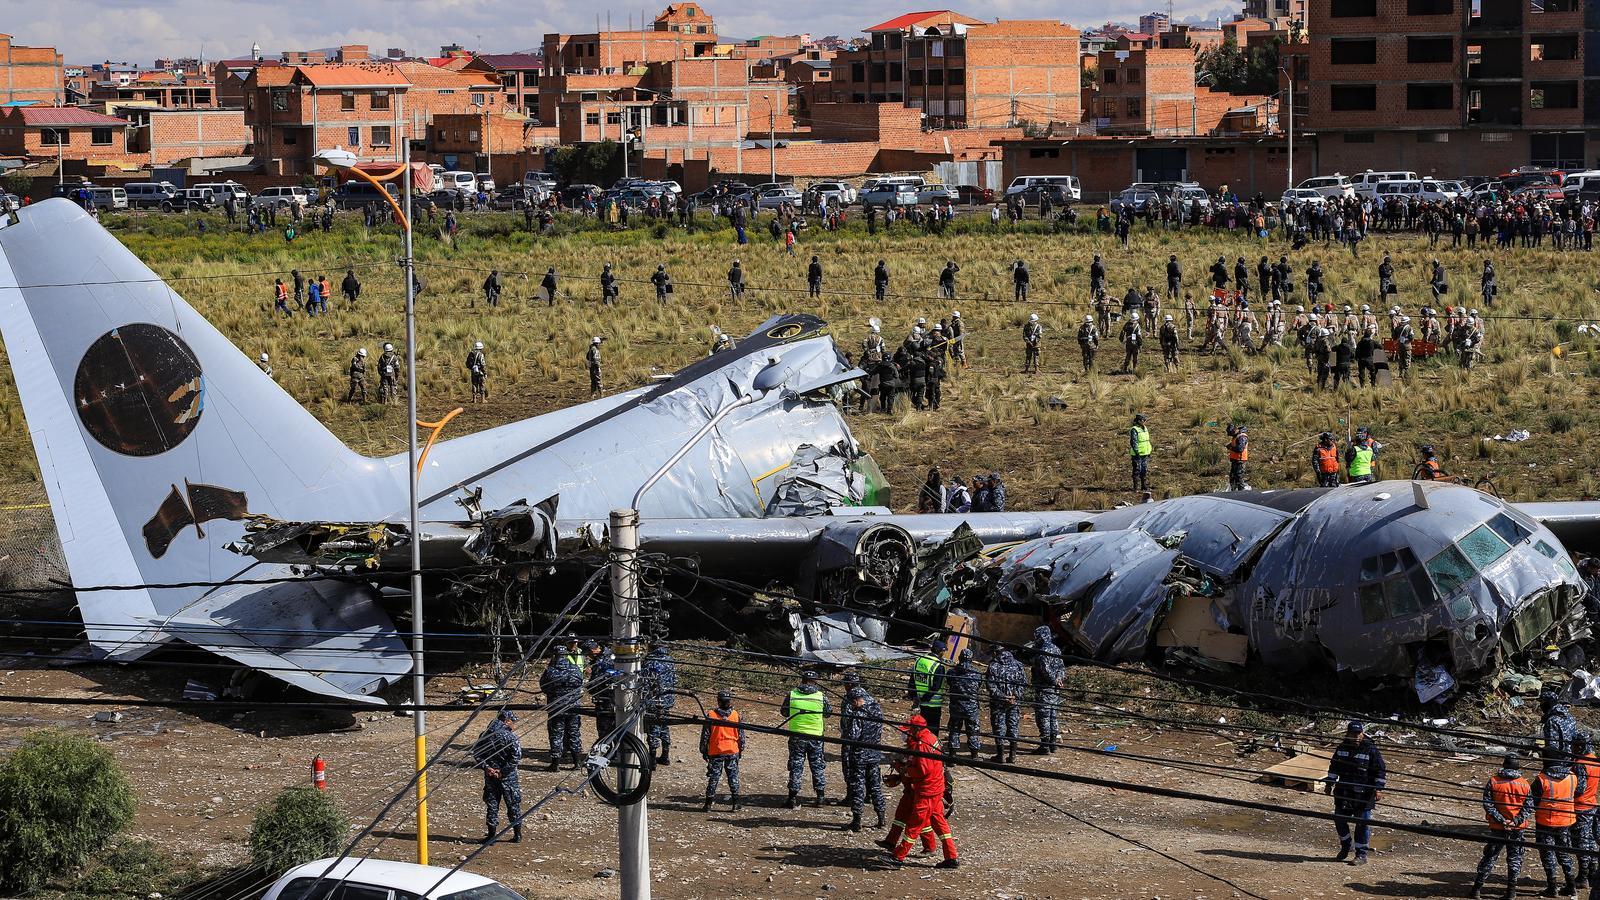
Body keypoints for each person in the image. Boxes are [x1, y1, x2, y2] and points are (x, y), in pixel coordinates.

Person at [886, 714, 959, 868]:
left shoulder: (923, 743)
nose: (908, 733)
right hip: (936, 789)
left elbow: (922, 770)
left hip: (927, 791)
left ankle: (898, 858)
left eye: (910, 730)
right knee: (940, 823)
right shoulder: (931, 737)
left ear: (916, 729)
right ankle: (951, 857)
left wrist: (903, 770)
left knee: (914, 825)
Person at [1324, 720, 1386, 866]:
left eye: (1359, 733)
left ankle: (1361, 854)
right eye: (1353, 733)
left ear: (1362, 733)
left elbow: (1380, 770)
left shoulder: (1370, 749)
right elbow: (1334, 767)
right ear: (1348, 733)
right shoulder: (1341, 748)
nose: (1356, 736)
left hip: (1364, 794)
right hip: (1344, 791)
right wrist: (1329, 784)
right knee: (1339, 819)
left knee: (1362, 824)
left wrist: (1378, 788)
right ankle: (1346, 846)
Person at [1472, 752, 1530, 900]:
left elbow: (1488, 804)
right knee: (1515, 859)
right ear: (1518, 767)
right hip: (1517, 828)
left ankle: (1477, 890)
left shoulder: (1494, 781)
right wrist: (1515, 821)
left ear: (1504, 765)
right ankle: (1511, 892)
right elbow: (1528, 808)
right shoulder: (1524, 784)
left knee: (1490, 857)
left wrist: (1501, 820)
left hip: (1497, 828)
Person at [1532, 754, 1584, 896]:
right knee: (1564, 852)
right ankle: (1571, 885)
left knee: (1548, 853)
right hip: (1566, 821)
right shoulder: (1573, 776)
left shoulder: (1541, 779)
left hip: (1545, 823)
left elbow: (1533, 802)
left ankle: (1552, 887)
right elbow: (1578, 792)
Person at [471, 710, 523, 844]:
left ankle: (491, 836)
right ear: (506, 721)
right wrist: (502, 772)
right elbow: (516, 757)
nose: (514, 725)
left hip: (490, 777)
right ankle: (517, 835)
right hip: (508, 777)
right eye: (513, 721)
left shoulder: (485, 734)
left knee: (492, 805)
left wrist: (487, 768)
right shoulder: (510, 737)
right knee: (513, 805)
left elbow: (477, 753)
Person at [841, 685, 887, 831]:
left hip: (859, 756)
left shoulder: (859, 714)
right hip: (874, 754)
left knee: (858, 787)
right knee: (875, 787)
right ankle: (881, 818)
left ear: (856, 700)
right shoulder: (877, 710)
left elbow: (853, 736)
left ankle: (857, 821)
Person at [782, 668, 830, 808]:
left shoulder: (792, 694)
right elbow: (828, 714)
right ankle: (820, 797)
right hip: (816, 736)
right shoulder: (821, 696)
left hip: (797, 736)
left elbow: (784, 712)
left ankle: (792, 798)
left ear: (802, 681)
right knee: (817, 766)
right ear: (815, 682)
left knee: (796, 766)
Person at [539, 647, 585, 771]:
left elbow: (543, 686)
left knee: (556, 735)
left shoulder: (551, 670)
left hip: (556, 708)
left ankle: (555, 764)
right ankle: (577, 762)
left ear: (555, 656)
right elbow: (581, 683)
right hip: (574, 708)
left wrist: (554, 693)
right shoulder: (575, 669)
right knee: (574, 733)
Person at [701, 689, 744, 812]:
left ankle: (708, 804)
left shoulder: (711, 715)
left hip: (716, 751)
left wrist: (704, 751)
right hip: (732, 750)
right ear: (729, 701)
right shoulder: (736, 715)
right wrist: (740, 750)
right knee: (733, 777)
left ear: (718, 701)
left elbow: (705, 735)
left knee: (714, 778)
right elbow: (741, 735)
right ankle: (736, 803)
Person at [1028, 626, 1064, 754]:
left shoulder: (1043, 651)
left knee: (1043, 717)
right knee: (1053, 716)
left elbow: (1045, 670)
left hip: (1044, 689)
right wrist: (1059, 679)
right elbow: (1061, 668)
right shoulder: (1056, 649)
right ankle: (1053, 744)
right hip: (1055, 689)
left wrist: (1054, 681)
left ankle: (1045, 746)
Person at [985, 648, 1025, 763]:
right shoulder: (1018, 665)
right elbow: (1023, 683)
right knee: (1013, 726)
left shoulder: (993, 666)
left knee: (999, 727)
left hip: (998, 703)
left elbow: (991, 686)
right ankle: (1012, 755)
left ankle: (1000, 755)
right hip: (1014, 702)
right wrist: (1014, 696)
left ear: (995, 653)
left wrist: (1003, 697)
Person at [1573, 732, 1599, 890]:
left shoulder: (1580, 763)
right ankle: (1592, 872)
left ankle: (1583, 876)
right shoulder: (1594, 759)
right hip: (1592, 804)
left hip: (1580, 806)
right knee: (1590, 840)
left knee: (1581, 842)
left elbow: (1580, 788)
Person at [642, 645, 677, 764]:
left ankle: (652, 758)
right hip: (667, 700)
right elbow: (674, 680)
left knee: (653, 728)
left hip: (654, 701)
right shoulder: (670, 660)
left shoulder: (650, 662)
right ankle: (665, 755)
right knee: (664, 727)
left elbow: (645, 682)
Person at [944, 649, 982, 758]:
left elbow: (949, 683)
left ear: (959, 658)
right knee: (973, 731)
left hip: (956, 706)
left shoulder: (952, 672)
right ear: (971, 659)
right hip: (972, 707)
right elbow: (978, 686)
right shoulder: (977, 673)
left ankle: (952, 756)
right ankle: (974, 756)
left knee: (954, 730)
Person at [907, 639, 947, 733]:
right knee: (932, 730)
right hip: (933, 704)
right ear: (940, 651)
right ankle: (930, 747)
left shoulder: (919, 660)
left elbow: (912, 680)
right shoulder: (939, 666)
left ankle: (920, 746)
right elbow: (936, 687)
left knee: (920, 728)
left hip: (919, 702)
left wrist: (913, 696)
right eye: (943, 651)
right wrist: (926, 698)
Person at [1129, 413, 1153, 493]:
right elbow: (1133, 442)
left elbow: (1146, 441)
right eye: (1143, 420)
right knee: (1137, 470)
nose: (1145, 421)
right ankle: (1136, 487)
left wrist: (1149, 450)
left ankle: (1144, 486)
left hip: (1145, 453)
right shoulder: (1134, 429)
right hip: (1137, 454)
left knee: (1144, 470)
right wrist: (1137, 452)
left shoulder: (1145, 428)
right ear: (1139, 421)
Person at [1226, 423, 1249, 491]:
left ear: (1235, 430)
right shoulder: (1237, 436)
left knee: (1239, 479)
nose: (1231, 435)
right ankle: (1233, 492)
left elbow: (1240, 449)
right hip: (1235, 461)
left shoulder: (1242, 437)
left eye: (1231, 433)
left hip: (1240, 461)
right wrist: (1230, 446)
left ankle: (1241, 494)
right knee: (1232, 478)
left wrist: (1231, 447)